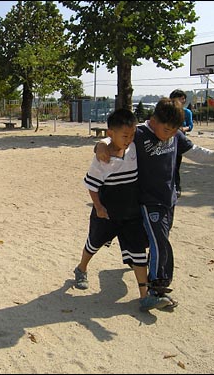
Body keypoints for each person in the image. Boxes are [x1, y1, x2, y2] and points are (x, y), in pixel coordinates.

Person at [94, 98, 214, 308]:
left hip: (169, 197)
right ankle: (155, 290)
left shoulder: (175, 135)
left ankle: (139, 264)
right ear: (153, 121)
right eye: (167, 129)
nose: (170, 134)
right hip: (148, 200)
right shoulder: (140, 133)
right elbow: (115, 139)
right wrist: (100, 145)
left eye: (174, 131)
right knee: (160, 242)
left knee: (154, 241)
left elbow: (194, 151)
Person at [75, 108, 172, 311]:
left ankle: (145, 296)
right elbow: (92, 187)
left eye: (132, 135)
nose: (129, 139)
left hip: (131, 214)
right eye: (125, 136)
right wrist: (99, 207)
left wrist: (103, 142)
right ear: (111, 134)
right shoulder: (103, 159)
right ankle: (81, 268)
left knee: (138, 252)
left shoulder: (134, 148)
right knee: (93, 243)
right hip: (107, 214)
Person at [169, 89, 194, 198]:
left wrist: (183, 128)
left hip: (179, 141)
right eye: (179, 98)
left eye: (183, 99)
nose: (182, 101)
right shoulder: (167, 110)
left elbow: (190, 126)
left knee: (176, 165)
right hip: (167, 140)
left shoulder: (187, 112)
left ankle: (177, 187)